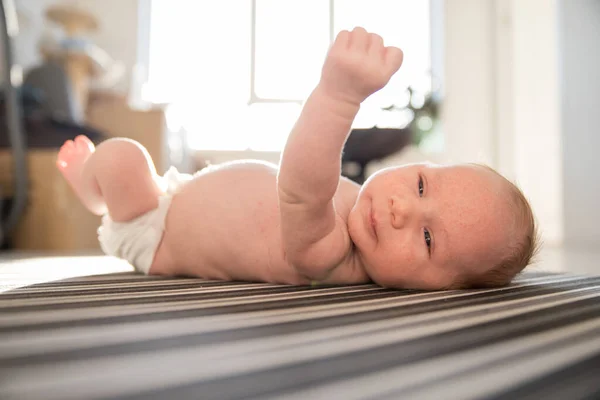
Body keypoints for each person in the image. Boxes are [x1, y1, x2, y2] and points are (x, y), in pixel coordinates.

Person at [56, 27, 539, 290]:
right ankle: (96, 189)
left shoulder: (331, 258)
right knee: (129, 158)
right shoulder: (358, 215)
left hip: (153, 229)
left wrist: (339, 97)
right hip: (176, 193)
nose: (403, 211)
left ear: (438, 293)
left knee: (120, 158)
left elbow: (301, 188)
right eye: (419, 186)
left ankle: (96, 197)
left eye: (429, 238)